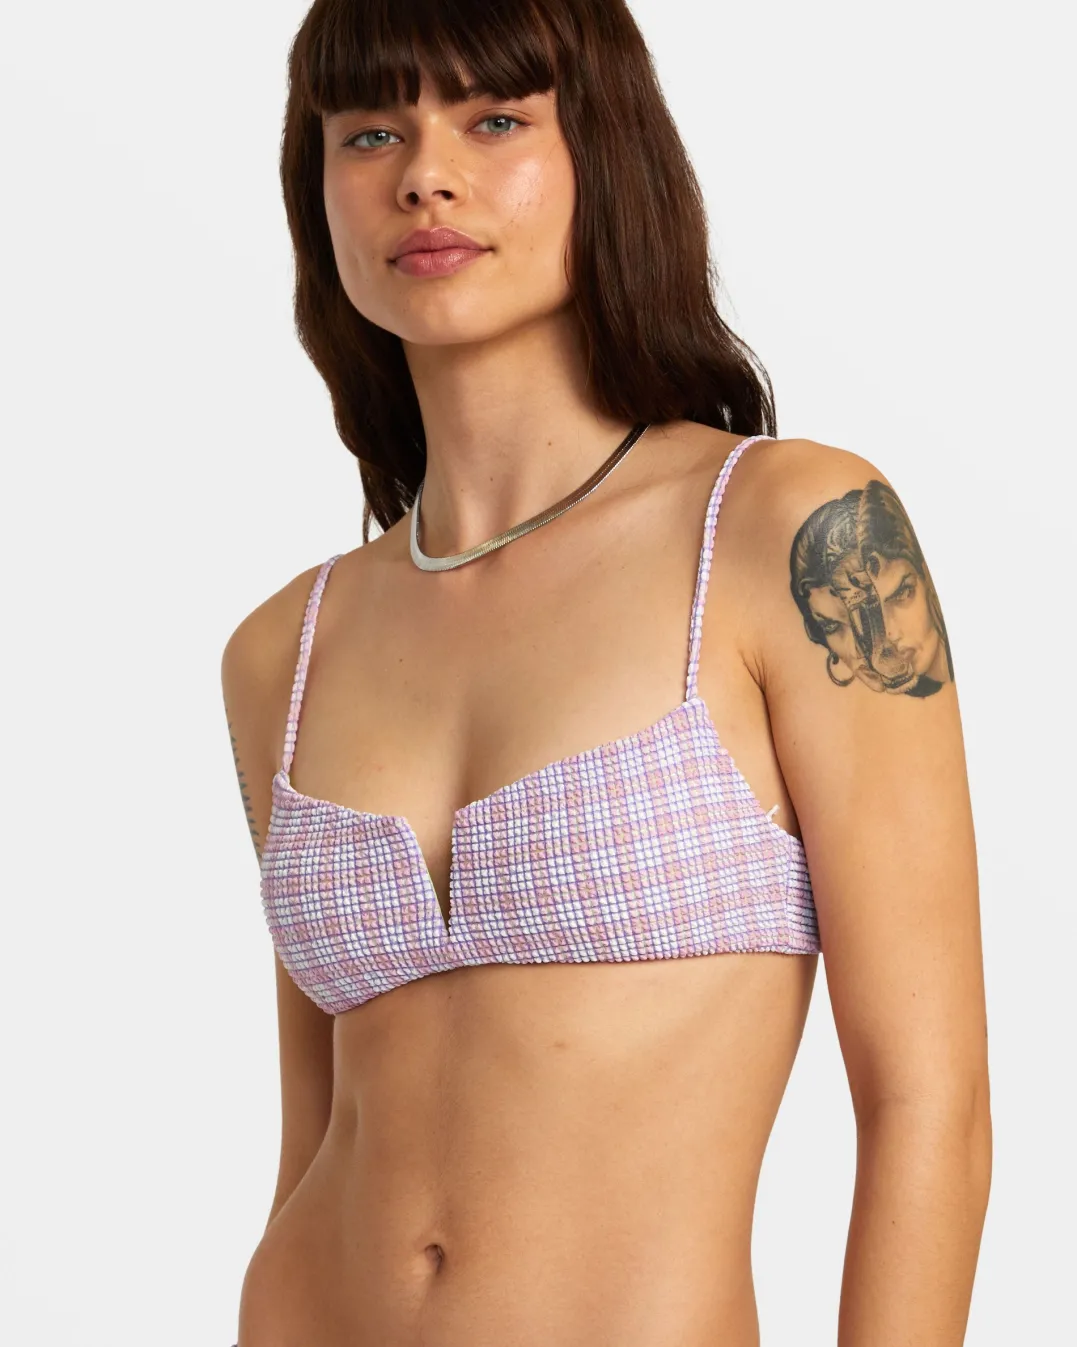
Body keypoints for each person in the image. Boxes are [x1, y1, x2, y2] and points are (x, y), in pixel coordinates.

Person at [220, 1, 991, 1343]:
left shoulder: (791, 532)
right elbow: (317, 1137)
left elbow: (931, 1102)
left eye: (495, 119)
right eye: (372, 133)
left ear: (605, 153)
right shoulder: (285, 649)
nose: (426, 175)